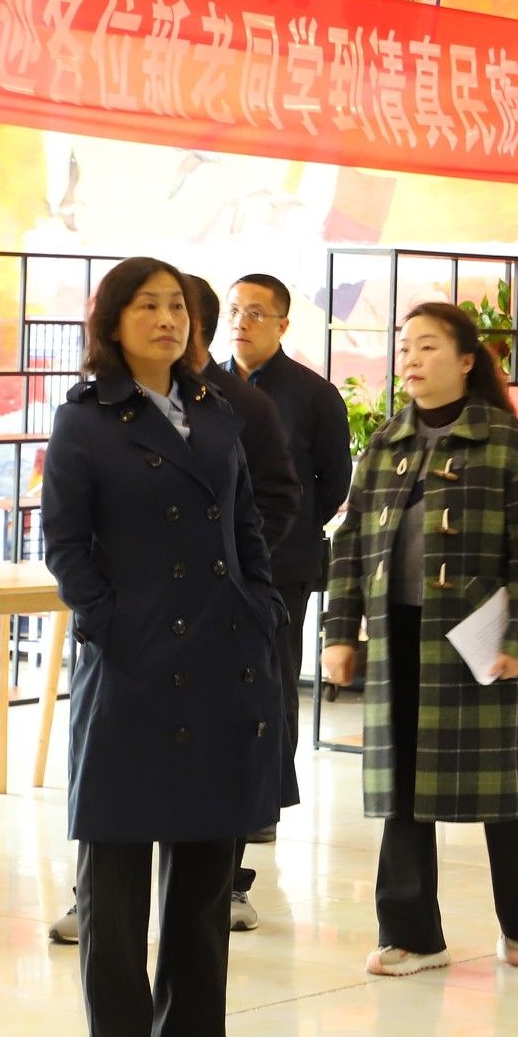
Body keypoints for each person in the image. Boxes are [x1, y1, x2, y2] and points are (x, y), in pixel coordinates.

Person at [41, 258, 297, 1037]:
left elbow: (247, 521)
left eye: (177, 306)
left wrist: (261, 603)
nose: (167, 319)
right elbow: (64, 543)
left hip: (222, 650)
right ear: (112, 322)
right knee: (115, 859)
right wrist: (109, 623)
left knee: (208, 856)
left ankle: (191, 1033)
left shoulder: (215, 410)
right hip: (133, 657)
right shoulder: (84, 420)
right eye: (147, 305)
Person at [322, 302, 518, 977]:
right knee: (401, 787)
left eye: (427, 346)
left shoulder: (506, 442)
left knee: (499, 792)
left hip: (478, 642)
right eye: (405, 348)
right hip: (398, 636)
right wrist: (340, 632)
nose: (412, 359)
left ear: (466, 360)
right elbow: (350, 545)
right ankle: (413, 934)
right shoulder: (387, 443)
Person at [224, 273, 351, 765]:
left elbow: (334, 481)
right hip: (214, 562)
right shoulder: (203, 388)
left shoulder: (314, 395)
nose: (241, 322)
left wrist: (291, 527)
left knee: (273, 679)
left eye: (255, 313)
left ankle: (270, 791)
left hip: (282, 562)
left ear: (282, 325)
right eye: (234, 311)